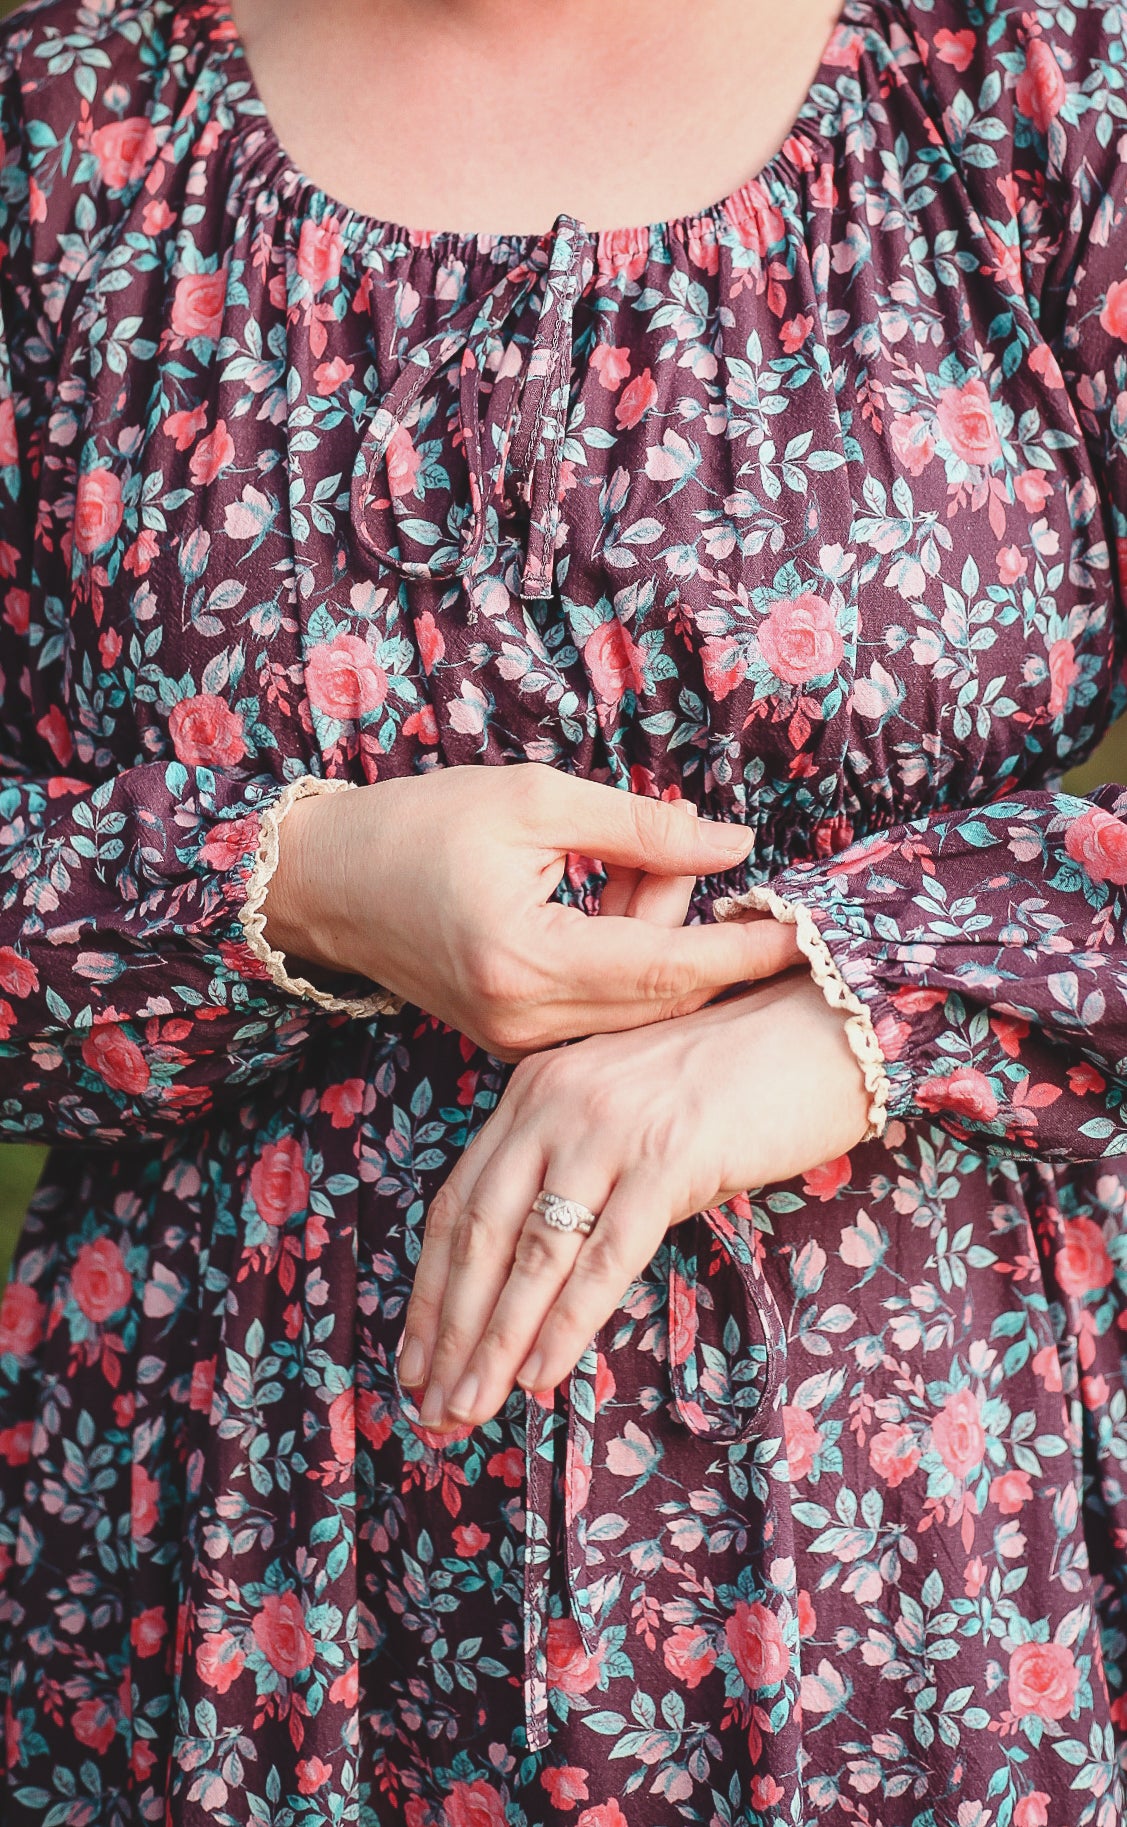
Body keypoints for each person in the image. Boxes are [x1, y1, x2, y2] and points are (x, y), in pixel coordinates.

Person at [0, 0, 1125, 1818]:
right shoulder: (72, 138)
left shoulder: (1033, 95)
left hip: (921, 1564)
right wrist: (299, 886)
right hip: (238, 1568)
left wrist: (864, 1012)